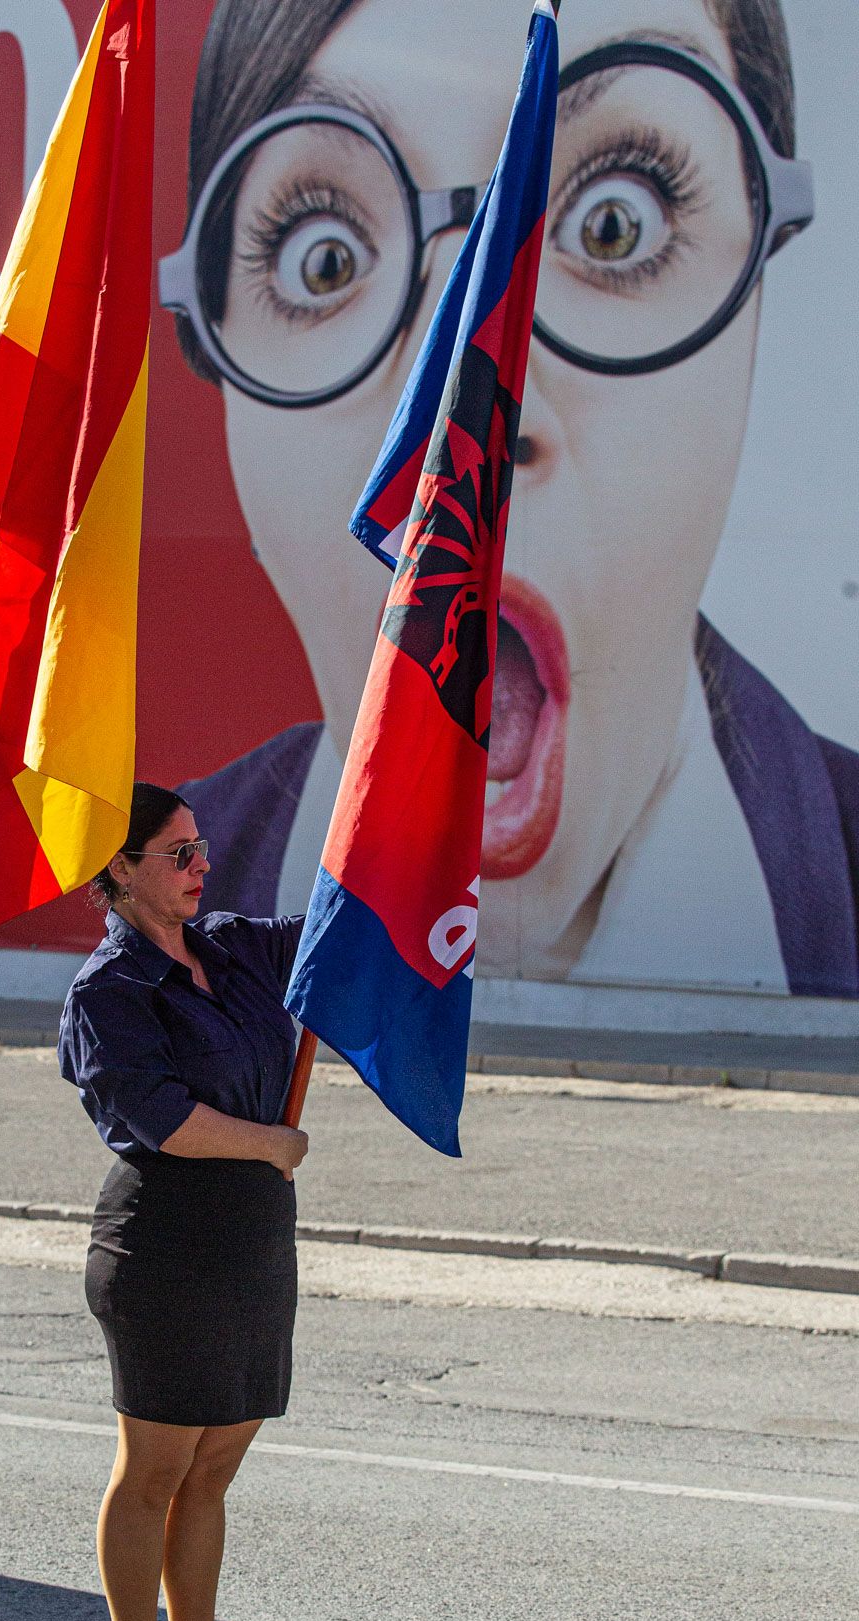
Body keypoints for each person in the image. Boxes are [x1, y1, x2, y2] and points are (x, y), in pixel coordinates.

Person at [160, 0, 859, 998]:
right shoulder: (167, 901)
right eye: (324, 257)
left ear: (761, 276)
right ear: (211, 353)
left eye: (613, 223)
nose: (466, 419)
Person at [58, 782, 308, 1621]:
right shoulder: (107, 991)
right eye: (178, 853)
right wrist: (267, 1145)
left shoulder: (232, 947)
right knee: (154, 1472)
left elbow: (347, 932)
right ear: (118, 870)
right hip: (163, 1247)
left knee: (210, 1474)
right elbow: (154, 1119)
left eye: (202, 847)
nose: (202, 865)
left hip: (250, 1242)